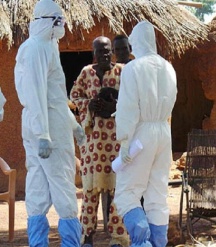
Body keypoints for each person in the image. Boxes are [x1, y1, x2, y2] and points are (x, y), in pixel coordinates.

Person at [14, 0, 86, 245]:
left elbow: (54, 95)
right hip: (46, 126)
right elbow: (36, 94)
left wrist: (73, 125)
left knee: (39, 183)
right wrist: (43, 133)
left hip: (47, 122)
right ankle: (70, 242)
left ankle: (38, 242)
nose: (62, 25)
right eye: (58, 20)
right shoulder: (37, 48)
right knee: (63, 181)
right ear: (49, 20)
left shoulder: (47, 46)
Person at [114, 20, 177, 247]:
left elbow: (128, 108)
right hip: (163, 131)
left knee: (126, 192)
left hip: (142, 133)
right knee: (157, 195)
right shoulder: (169, 67)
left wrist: (124, 141)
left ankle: (142, 243)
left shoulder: (133, 68)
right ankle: (159, 242)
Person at [70, 36, 129, 247]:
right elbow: (74, 96)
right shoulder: (86, 72)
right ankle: (87, 237)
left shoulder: (122, 71)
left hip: (116, 143)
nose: (104, 55)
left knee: (117, 191)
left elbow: (132, 97)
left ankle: (118, 239)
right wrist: (90, 105)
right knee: (90, 193)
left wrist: (117, 105)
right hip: (93, 145)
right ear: (94, 53)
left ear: (112, 51)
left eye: (107, 51)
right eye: (100, 51)